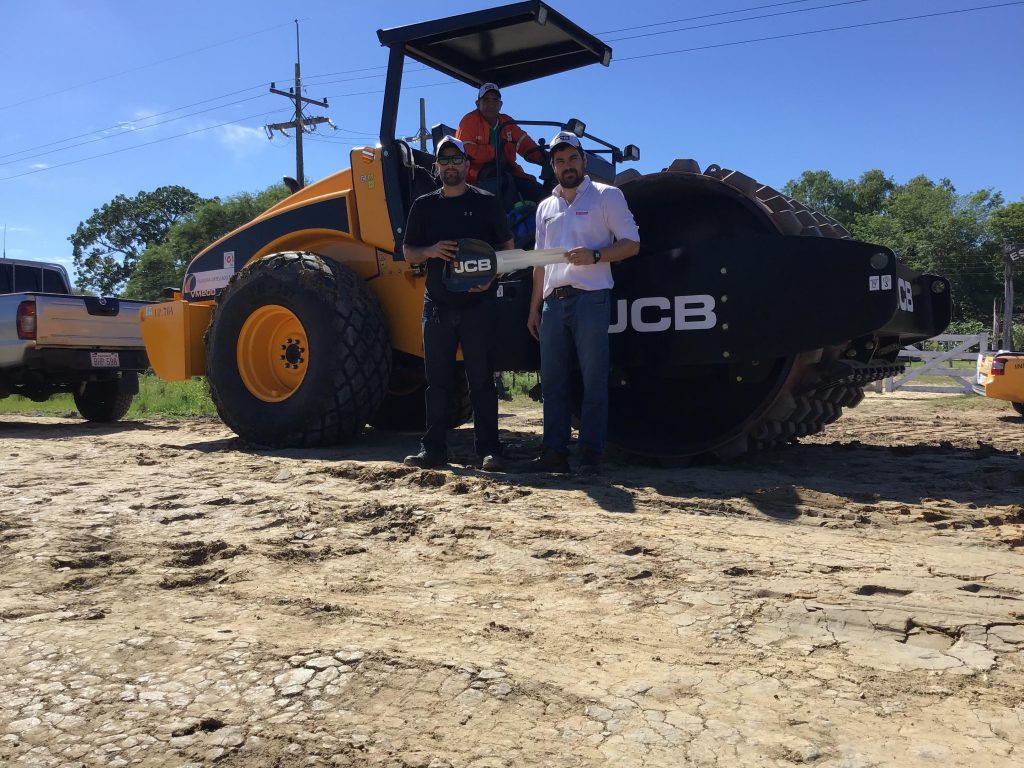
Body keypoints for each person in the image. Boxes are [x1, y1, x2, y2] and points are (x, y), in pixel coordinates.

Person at [526, 132, 640, 474]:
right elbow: (539, 262)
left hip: (591, 300)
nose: (567, 166)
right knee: (553, 381)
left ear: (583, 161)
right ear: (553, 167)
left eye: (572, 159)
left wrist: (595, 255)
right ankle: (553, 453)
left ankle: (591, 453)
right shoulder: (545, 206)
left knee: (593, 380)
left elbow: (631, 243)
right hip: (553, 303)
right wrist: (534, 306)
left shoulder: (608, 196)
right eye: (559, 161)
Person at [402, 136, 514, 472]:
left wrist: (492, 277)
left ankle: (489, 451)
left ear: (466, 164)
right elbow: (409, 252)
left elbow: (506, 248)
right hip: (436, 306)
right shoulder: (424, 206)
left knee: (481, 381)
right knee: (437, 382)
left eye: (456, 159)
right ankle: (433, 449)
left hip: (477, 307)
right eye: (444, 160)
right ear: (436, 167)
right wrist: (431, 250)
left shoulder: (486, 202)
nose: (451, 165)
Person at [456, 83, 546, 206]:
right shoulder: (468, 121)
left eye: (495, 100)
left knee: (538, 191)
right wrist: (495, 151)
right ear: (477, 103)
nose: (491, 104)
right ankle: (507, 221)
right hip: (476, 174)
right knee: (504, 183)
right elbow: (466, 150)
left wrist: (544, 158)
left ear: (500, 104)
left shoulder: (507, 122)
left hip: (508, 171)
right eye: (486, 99)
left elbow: (524, 143)